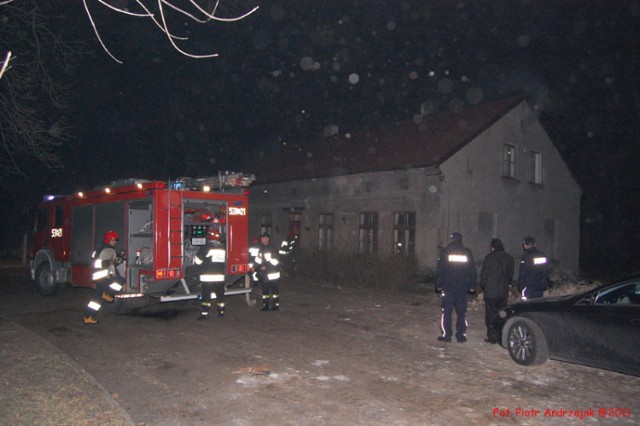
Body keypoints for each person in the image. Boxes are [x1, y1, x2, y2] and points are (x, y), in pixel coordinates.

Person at [435, 232, 477, 343]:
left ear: (451, 240)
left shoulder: (446, 252)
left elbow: (441, 270)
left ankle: (447, 335)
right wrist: (472, 285)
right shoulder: (467, 253)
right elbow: (472, 270)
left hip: (448, 287)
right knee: (461, 312)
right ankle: (461, 335)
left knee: (447, 312)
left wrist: (438, 285)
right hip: (462, 287)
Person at [83, 230, 124, 325]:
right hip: (103, 277)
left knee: (97, 299)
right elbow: (108, 263)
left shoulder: (99, 249)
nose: (115, 242)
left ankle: (88, 316)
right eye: (113, 240)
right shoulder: (109, 251)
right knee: (121, 280)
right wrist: (118, 261)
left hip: (97, 276)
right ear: (108, 240)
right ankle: (108, 294)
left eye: (115, 240)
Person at [479, 238, 514, 344]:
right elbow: (510, 275)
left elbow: (484, 275)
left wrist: (484, 287)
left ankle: (492, 336)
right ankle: (501, 335)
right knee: (501, 313)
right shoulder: (509, 258)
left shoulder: (489, 258)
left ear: (493, 247)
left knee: (490, 314)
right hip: (503, 291)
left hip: (491, 292)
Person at [194, 231, 227, 319]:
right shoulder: (223, 247)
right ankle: (221, 312)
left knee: (206, 296)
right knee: (220, 295)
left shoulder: (206, 247)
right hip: (219, 277)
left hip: (207, 277)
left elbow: (198, 261)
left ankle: (204, 314)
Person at [254, 232, 281, 311]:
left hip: (273, 273)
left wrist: (266, 266)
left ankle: (276, 305)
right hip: (264, 274)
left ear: (268, 239)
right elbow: (258, 259)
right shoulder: (261, 248)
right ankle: (265, 305)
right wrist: (255, 267)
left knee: (274, 290)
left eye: (264, 238)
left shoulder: (273, 248)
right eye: (262, 238)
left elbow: (276, 261)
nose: (263, 239)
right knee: (265, 290)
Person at [518, 236, 549, 300]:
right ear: (535, 244)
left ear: (525, 245)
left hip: (529, 288)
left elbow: (523, 274)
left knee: (528, 308)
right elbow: (545, 270)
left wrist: (521, 288)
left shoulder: (526, 257)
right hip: (541, 287)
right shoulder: (542, 255)